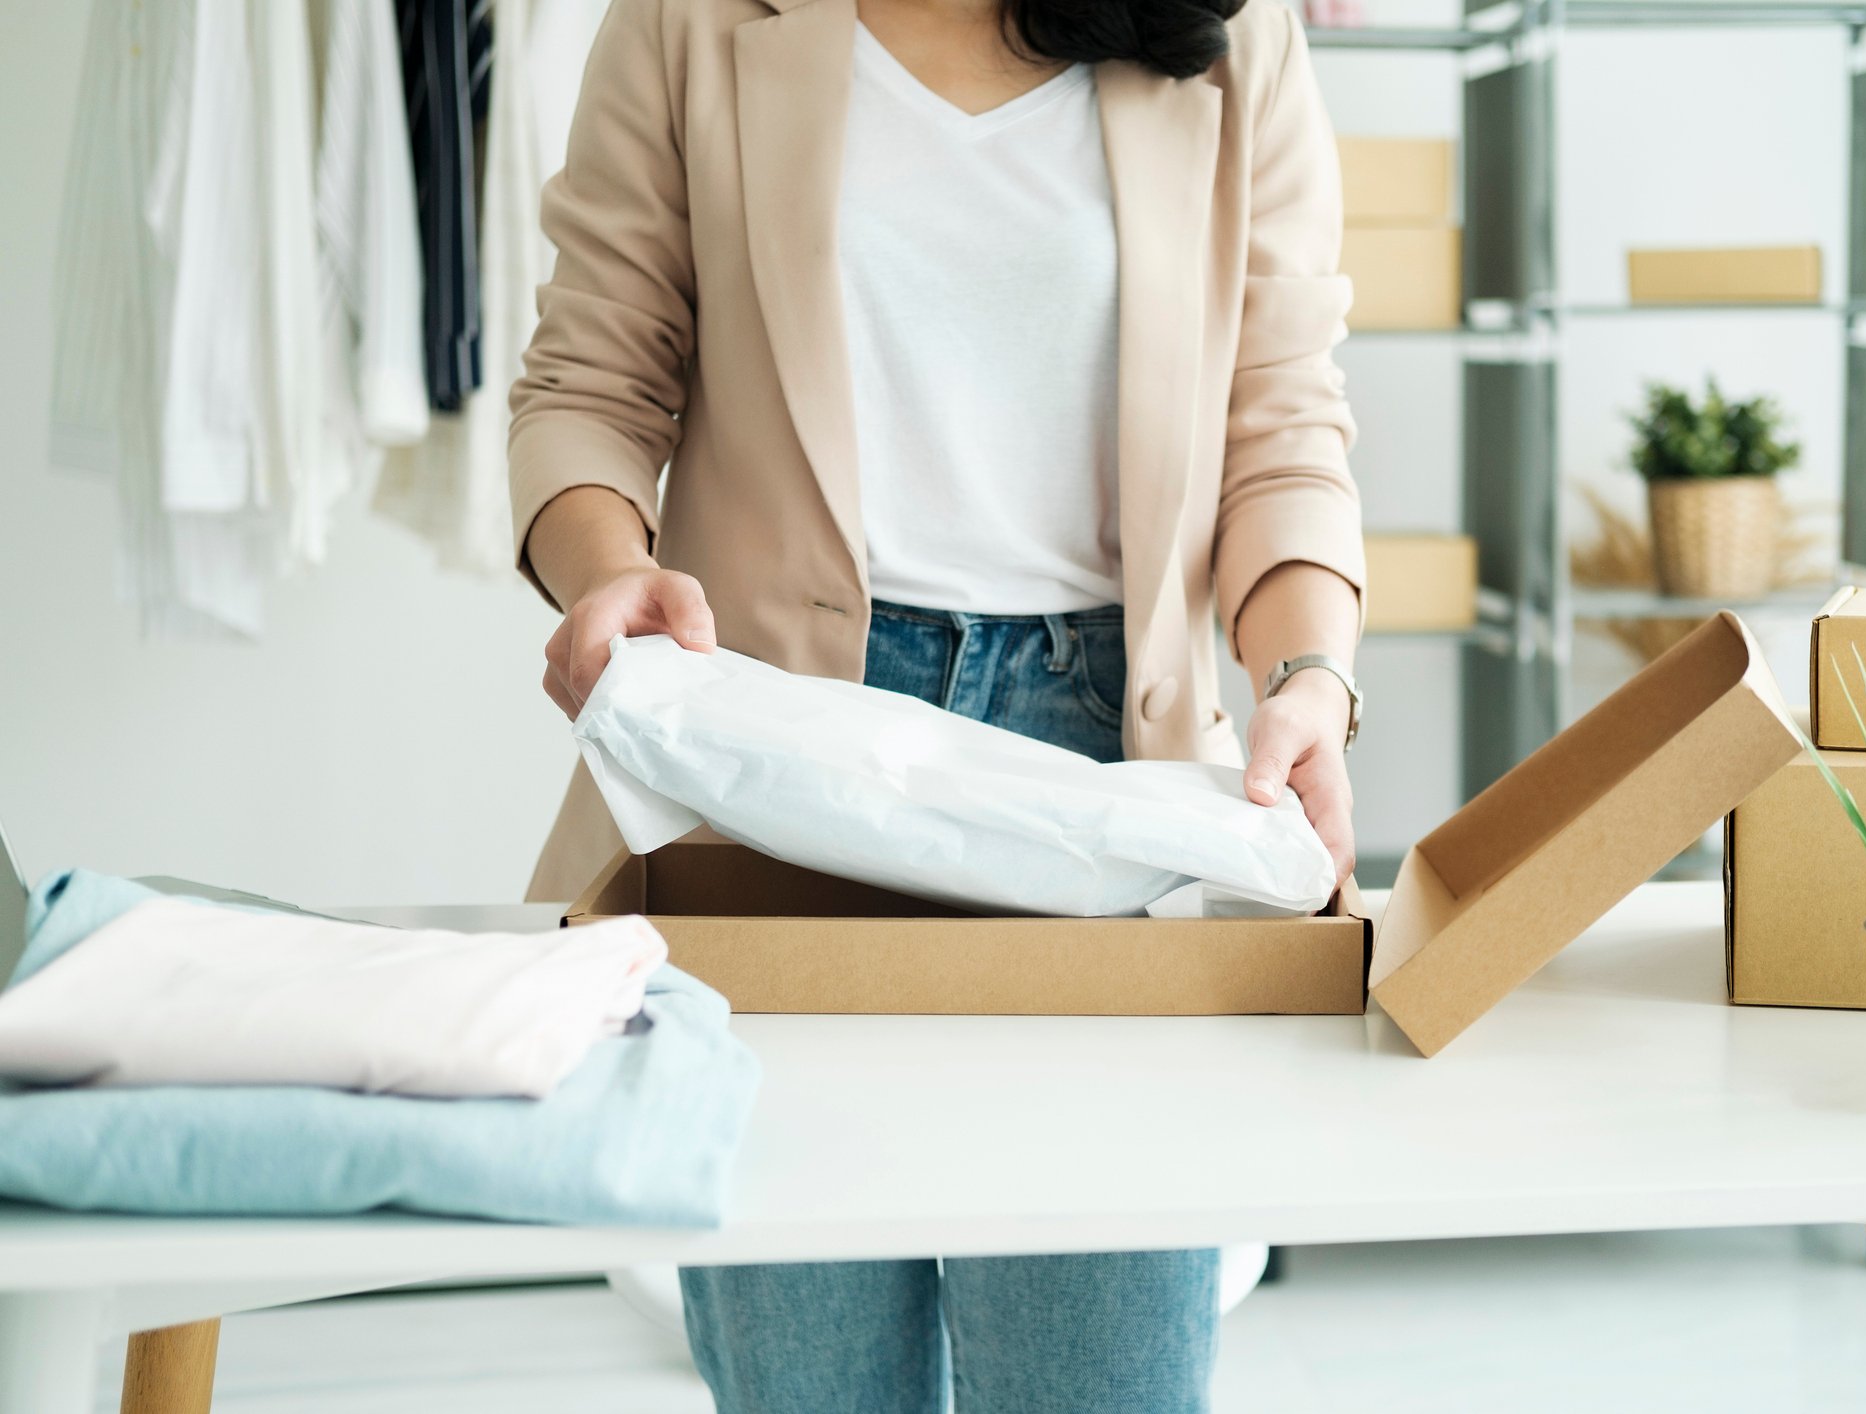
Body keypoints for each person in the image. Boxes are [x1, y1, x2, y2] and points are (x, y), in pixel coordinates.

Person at [510, 0, 1365, 1407]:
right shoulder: (690, 18)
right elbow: (588, 381)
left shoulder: (1231, 29)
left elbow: (1279, 420)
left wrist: (1306, 676)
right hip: (776, 774)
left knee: (1101, 1375)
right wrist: (609, 573)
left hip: (1108, 783)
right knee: (811, 1383)